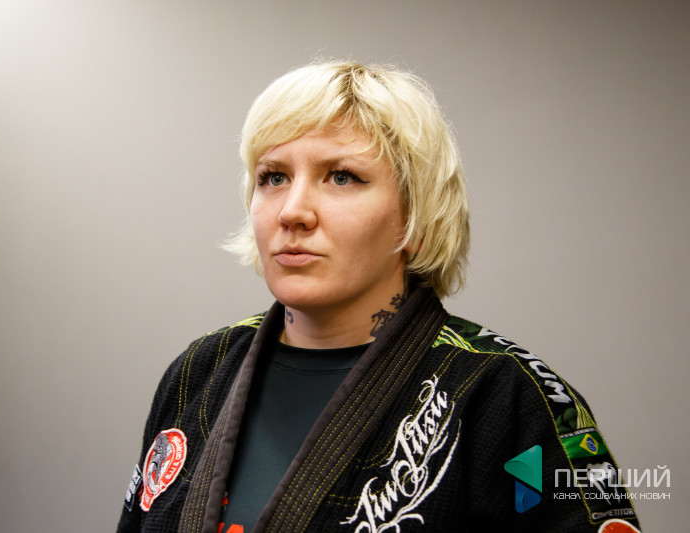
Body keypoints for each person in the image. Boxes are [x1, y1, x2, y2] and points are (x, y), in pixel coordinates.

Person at [116, 61, 640, 533]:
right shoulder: (199, 372)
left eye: (341, 177)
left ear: (414, 218)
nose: (292, 211)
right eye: (273, 177)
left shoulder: (505, 395)